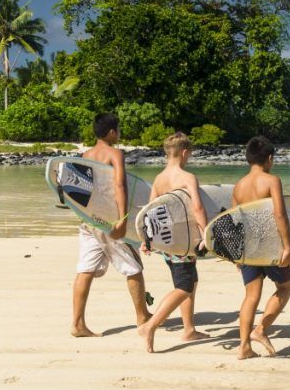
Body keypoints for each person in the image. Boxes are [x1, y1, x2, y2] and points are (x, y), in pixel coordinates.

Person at [71, 113, 151, 337]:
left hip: (88, 219)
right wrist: (123, 219)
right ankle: (142, 316)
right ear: (112, 132)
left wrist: (85, 216)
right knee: (133, 267)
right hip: (110, 220)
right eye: (118, 129)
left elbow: (80, 191)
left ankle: (77, 324)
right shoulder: (115, 153)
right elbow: (120, 185)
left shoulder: (85, 155)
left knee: (85, 270)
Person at [137, 132, 209, 353]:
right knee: (183, 287)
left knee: (190, 282)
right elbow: (197, 207)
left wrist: (146, 240)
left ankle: (189, 329)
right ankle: (151, 326)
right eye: (190, 154)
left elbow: (150, 212)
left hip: (167, 243)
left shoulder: (159, 179)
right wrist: (207, 233)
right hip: (184, 241)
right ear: (185, 152)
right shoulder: (187, 178)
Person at [233, 135, 290, 359]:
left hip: (248, 248)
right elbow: (280, 214)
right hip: (269, 246)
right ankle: (259, 330)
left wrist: (236, 255)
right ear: (269, 158)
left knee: (251, 297)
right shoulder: (271, 180)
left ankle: (243, 347)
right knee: (286, 287)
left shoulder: (238, 187)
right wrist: (287, 245)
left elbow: (234, 222)